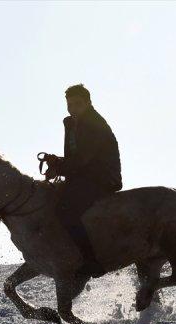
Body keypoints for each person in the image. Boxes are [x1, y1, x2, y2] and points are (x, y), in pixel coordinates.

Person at [42, 84, 122, 278]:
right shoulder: (72, 123)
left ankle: (90, 260)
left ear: (88, 103)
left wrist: (58, 167)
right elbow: (76, 158)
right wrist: (57, 162)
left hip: (101, 178)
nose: (72, 108)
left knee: (65, 211)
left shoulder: (94, 123)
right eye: (69, 104)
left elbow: (84, 158)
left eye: (77, 104)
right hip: (83, 177)